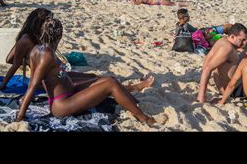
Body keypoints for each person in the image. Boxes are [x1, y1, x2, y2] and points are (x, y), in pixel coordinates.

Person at [15, 18, 156, 125]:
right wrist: (20, 115)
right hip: (63, 104)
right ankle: (143, 117)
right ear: (60, 35)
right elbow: (33, 85)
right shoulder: (47, 55)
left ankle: (132, 101)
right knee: (111, 84)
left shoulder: (38, 49)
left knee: (105, 79)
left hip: (68, 92)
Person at [197, 23, 247, 103]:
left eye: (245, 40)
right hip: (234, 90)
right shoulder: (227, 48)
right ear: (232, 36)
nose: (244, 43)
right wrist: (201, 96)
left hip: (224, 86)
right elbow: (207, 69)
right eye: (242, 40)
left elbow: (206, 62)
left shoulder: (222, 41)